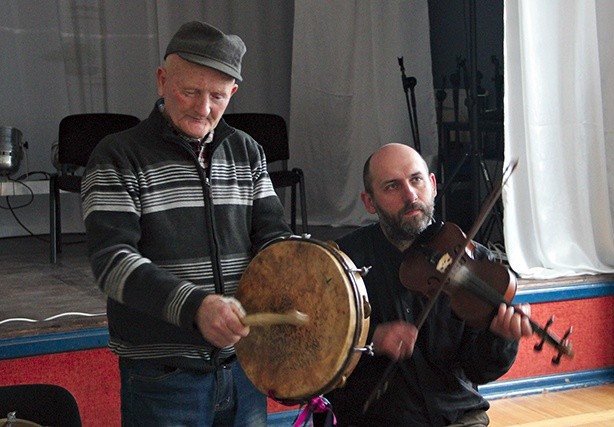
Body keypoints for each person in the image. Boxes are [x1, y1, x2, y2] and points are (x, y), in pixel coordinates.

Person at [81, 21, 291, 426]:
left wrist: (297, 268)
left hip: (244, 367)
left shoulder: (247, 151)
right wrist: (197, 307)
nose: (203, 108)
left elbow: (272, 237)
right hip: (162, 375)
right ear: (162, 81)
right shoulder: (118, 156)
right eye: (190, 91)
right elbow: (112, 261)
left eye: (217, 95)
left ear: (233, 92)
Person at [315, 143, 533, 427]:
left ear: (432, 184)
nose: (410, 195)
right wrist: (367, 339)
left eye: (416, 180)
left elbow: (478, 370)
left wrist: (502, 338)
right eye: (392, 186)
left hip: (457, 417)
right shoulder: (342, 262)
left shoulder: (475, 260)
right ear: (369, 202)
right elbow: (313, 343)